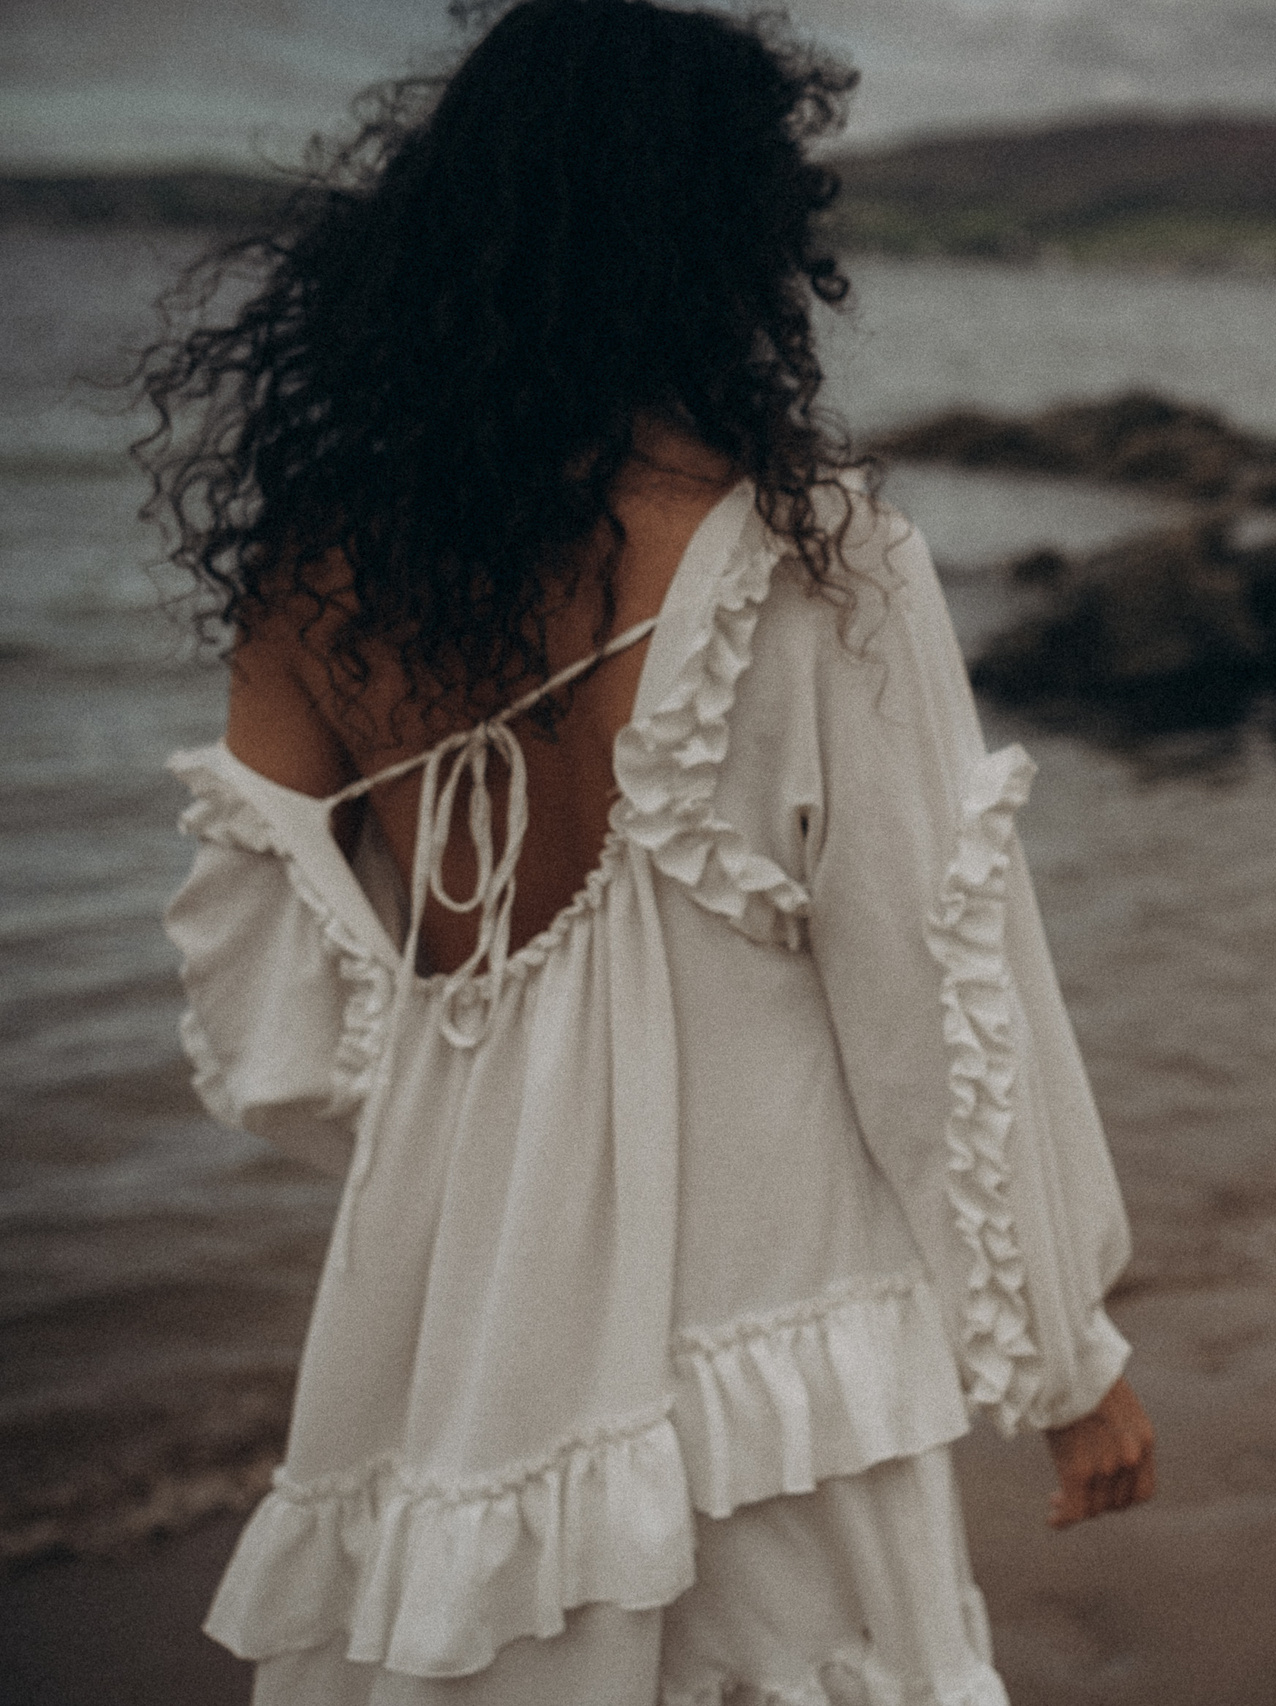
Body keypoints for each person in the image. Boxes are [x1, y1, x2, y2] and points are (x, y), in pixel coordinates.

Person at [141, 3, 1151, 1700]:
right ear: (729, 240)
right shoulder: (818, 567)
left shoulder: (317, 572)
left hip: (458, 1347)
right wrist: (1065, 1359)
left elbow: (273, 1033)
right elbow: (941, 1010)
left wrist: (507, 1132)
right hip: (767, 1347)